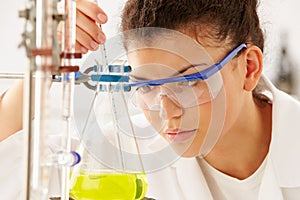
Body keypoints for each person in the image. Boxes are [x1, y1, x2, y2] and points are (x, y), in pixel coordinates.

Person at [1, 1, 300, 200]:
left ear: (248, 68)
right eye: (145, 87)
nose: (166, 112)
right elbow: (8, 164)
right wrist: (43, 55)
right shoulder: (129, 156)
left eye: (189, 81)